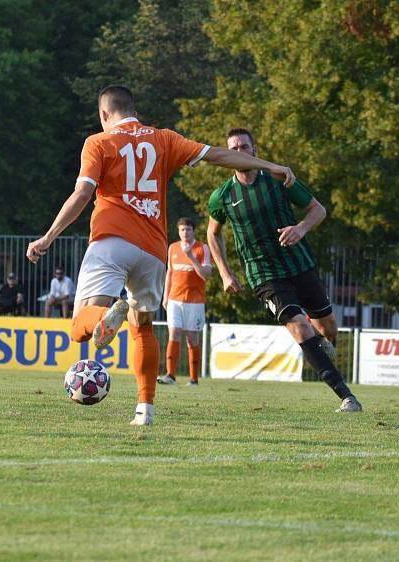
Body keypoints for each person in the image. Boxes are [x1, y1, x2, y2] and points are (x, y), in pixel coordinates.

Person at [26, 85, 296, 427]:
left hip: (111, 241)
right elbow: (219, 155)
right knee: (143, 329)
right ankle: (145, 410)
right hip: (153, 252)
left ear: (104, 115)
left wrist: (49, 236)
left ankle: (104, 319)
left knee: (81, 326)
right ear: (133, 109)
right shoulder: (164, 139)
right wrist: (267, 164)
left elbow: (83, 193)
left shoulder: (99, 142)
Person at [207, 128, 361, 413]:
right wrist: (226, 273)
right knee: (300, 328)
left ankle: (321, 346)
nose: (239, 152)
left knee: (327, 330)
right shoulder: (222, 196)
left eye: (244, 147)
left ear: (255, 150)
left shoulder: (279, 180)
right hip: (264, 275)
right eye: (233, 149)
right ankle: (346, 397)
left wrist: (300, 229)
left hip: (299, 264)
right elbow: (213, 234)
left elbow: (318, 209)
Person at [158, 217, 212, 386]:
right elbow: (169, 274)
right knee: (174, 334)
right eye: (182, 229)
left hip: (195, 302)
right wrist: (165, 296)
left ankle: (194, 379)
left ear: (193, 230)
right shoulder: (172, 248)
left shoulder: (202, 248)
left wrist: (191, 257)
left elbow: (206, 274)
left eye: (188, 229)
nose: (185, 233)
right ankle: (170, 375)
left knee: (192, 338)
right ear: (178, 231)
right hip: (175, 299)